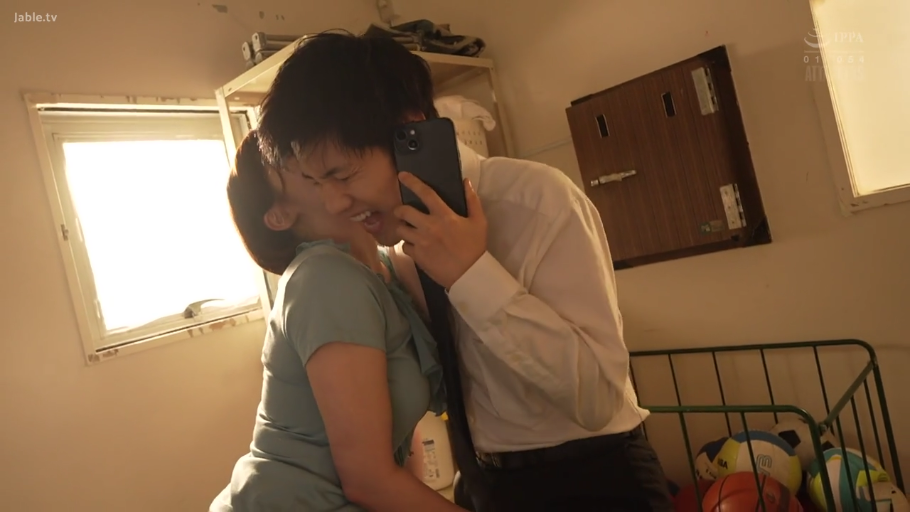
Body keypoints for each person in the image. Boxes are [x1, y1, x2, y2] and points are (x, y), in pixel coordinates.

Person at [254, 32, 675, 512]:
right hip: (482, 483)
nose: (334, 204)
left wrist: (471, 274)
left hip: (595, 478)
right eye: (315, 183)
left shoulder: (536, 201)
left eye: (343, 175)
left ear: (409, 130)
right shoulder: (396, 248)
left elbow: (599, 400)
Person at [209, 131, 465, 512]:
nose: (318, 163)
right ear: (280, 216)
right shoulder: (325, 278)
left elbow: (393, 447)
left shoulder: (383, 269)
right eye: (294, 164)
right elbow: (368, 480)